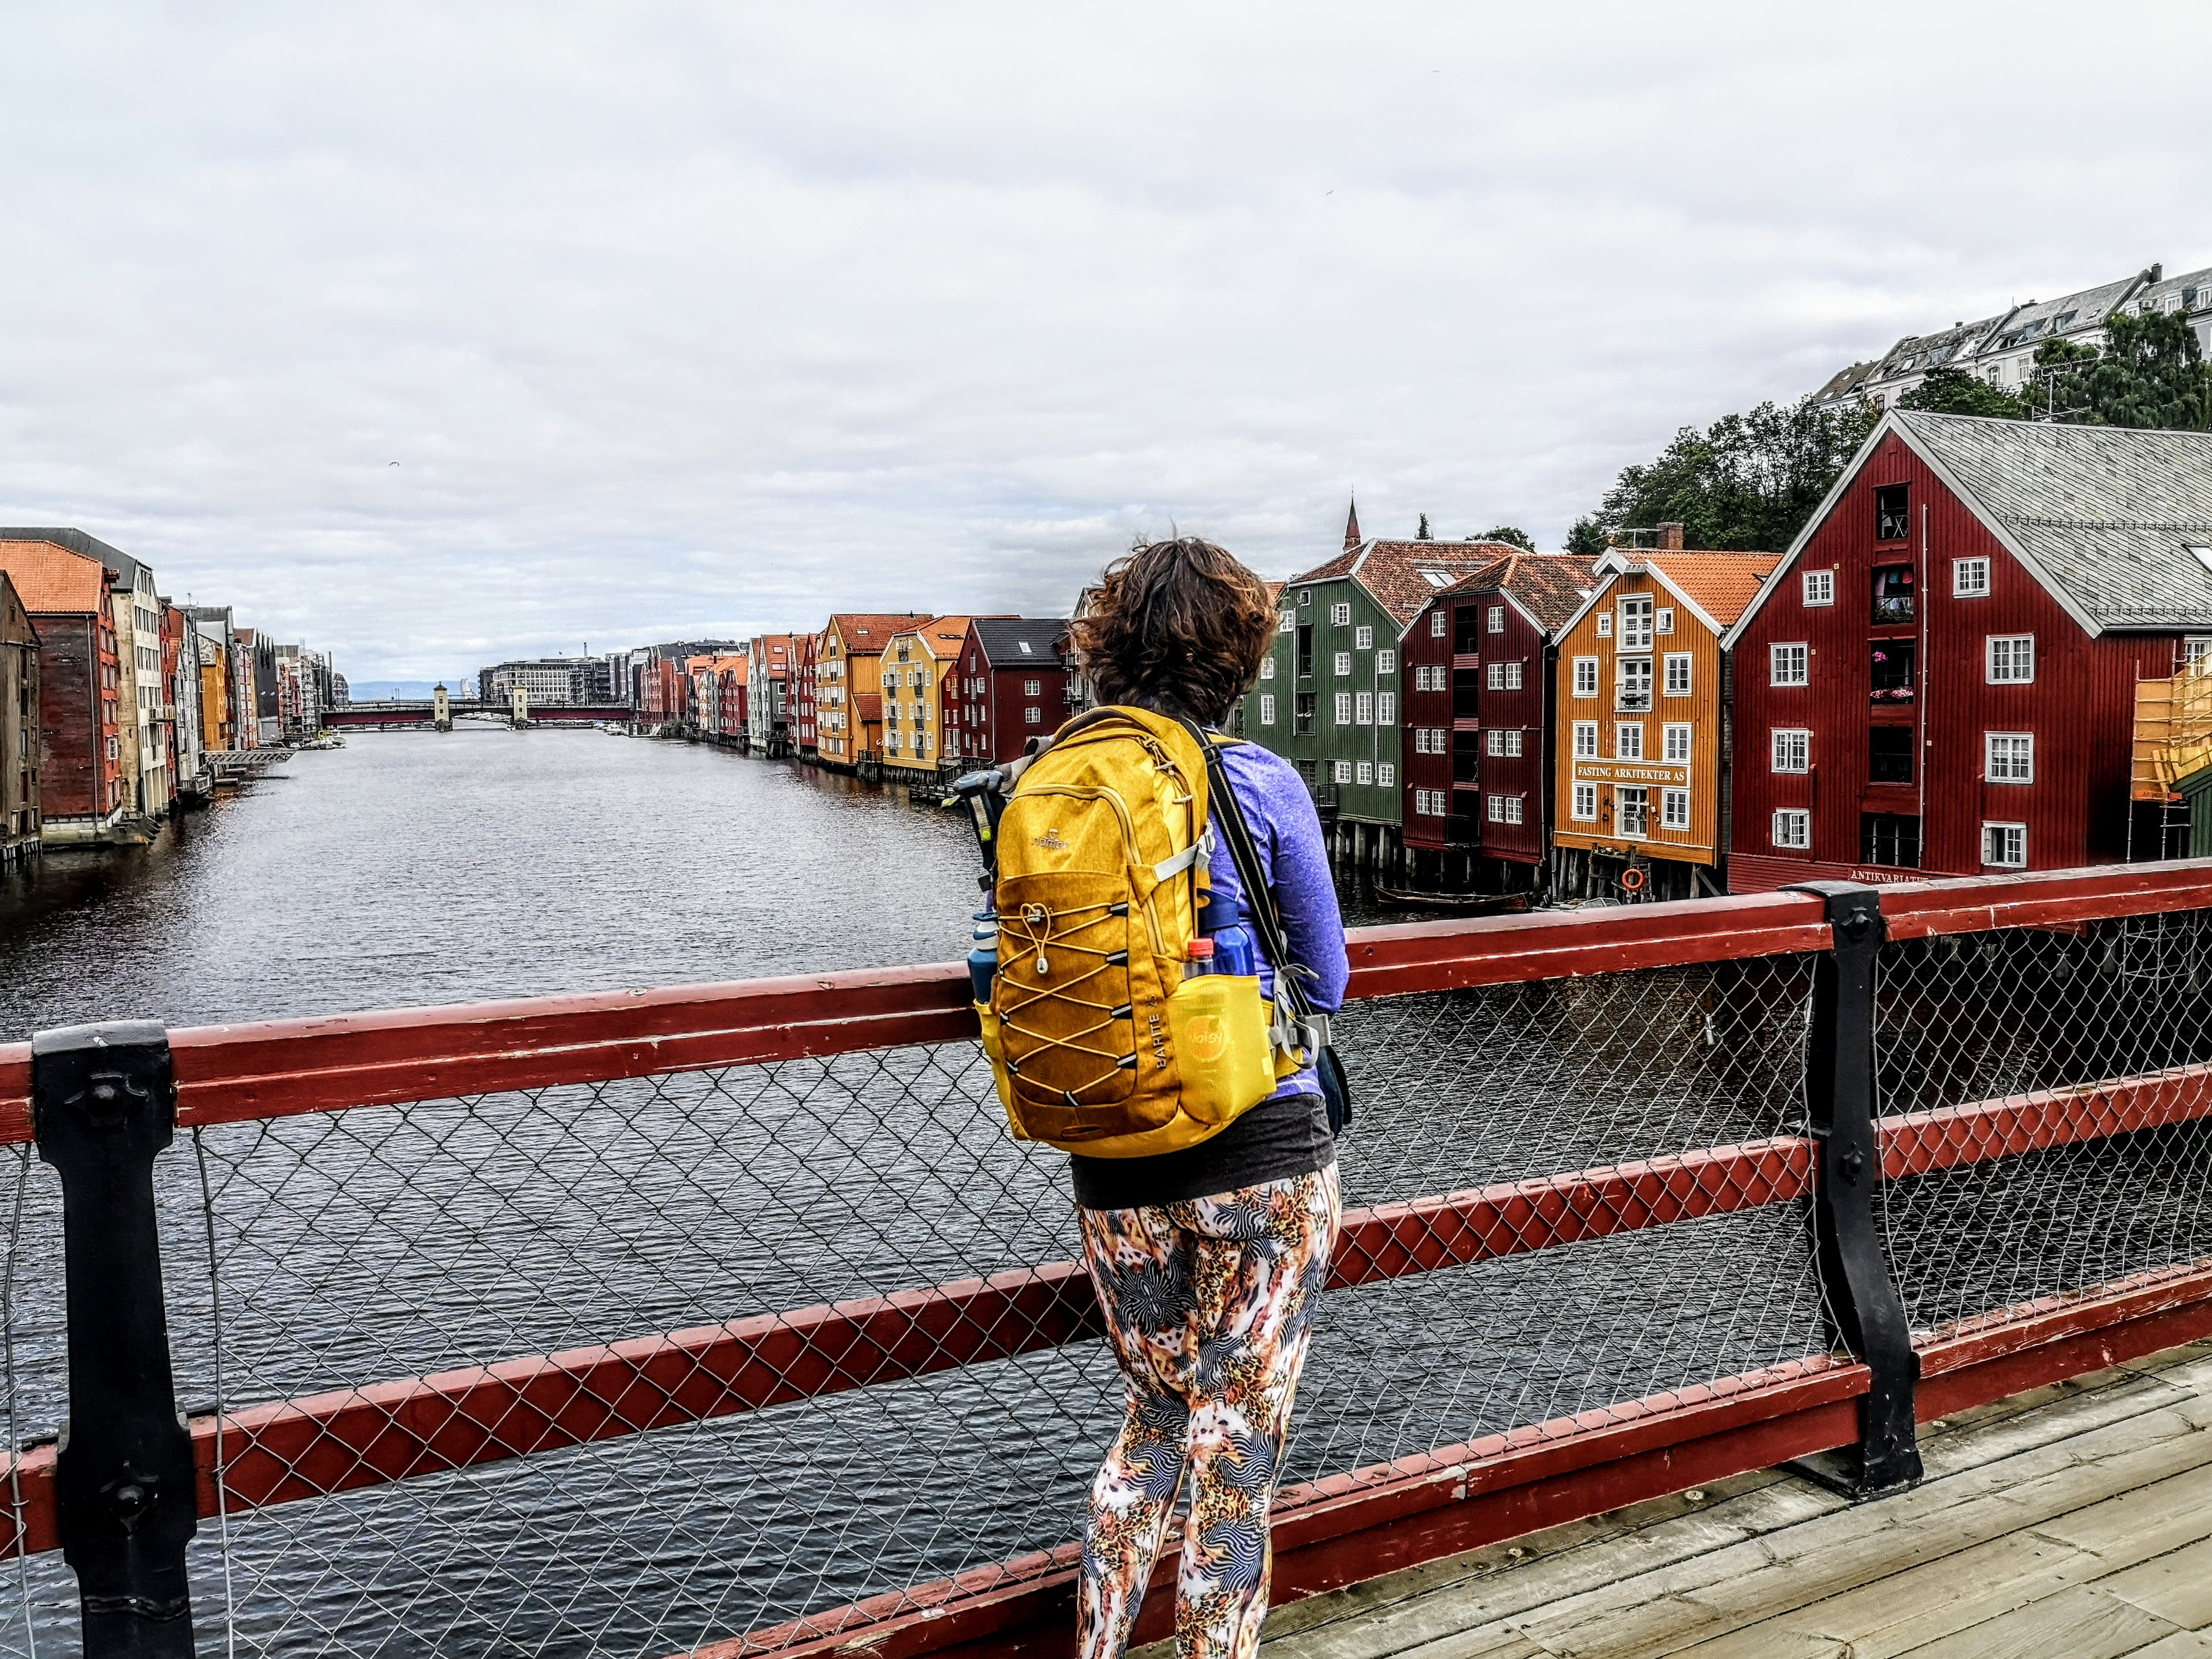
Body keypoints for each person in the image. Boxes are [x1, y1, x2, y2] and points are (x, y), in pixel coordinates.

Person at [1063, 536, 1349, 1659]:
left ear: (1108, 645)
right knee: (1235, 1453)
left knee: (1157, 1421)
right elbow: (1324, 978)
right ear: (1238, 654)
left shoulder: (1061, 786)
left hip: (1111, 1158)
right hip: (1262, 1157)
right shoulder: (1257, 780)